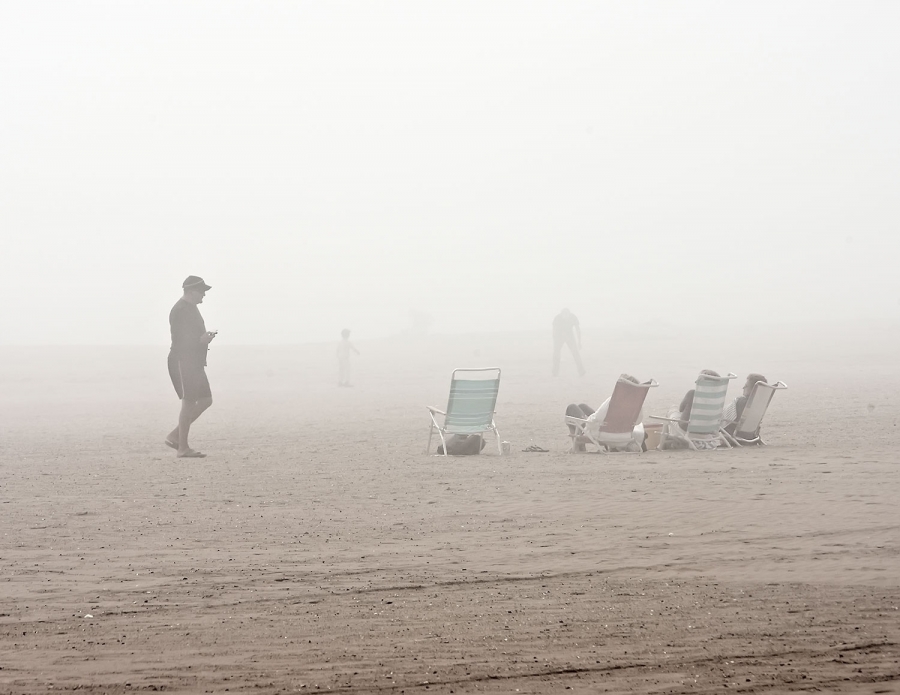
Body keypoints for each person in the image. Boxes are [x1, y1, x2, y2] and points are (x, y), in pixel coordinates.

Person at [165, 276, 216, 458]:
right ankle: (182, 448)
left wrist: (204, 338)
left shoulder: (192, 308)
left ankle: (175, 435)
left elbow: (192, 335)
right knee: (188, 403)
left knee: (206, 400)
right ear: (191, 291)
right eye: (201, 291)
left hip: (194, 362)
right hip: (182, 361)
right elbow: (179, 340)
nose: (203, 295)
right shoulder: (179, 310)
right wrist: (200, 340)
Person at [565, 374, 645, 452]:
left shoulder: (613, 401)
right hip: (625, 435)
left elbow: (597, 418)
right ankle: (578, 445)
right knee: (582, 406)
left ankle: (577, 446)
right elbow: (638, 421)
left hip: (604, 434)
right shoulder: (637, 404)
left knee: (571, 408)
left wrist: (587, 422)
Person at [552, 308, 585, 377]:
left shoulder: (573, 317)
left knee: (575, 353)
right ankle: (555, 372)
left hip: (570, 336)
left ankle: (581, 371)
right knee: (556, 354)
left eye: (567, 315)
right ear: (561, 314)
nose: (566, 317)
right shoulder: (557, 318)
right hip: (559, 336)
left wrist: (579, 342)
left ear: (569, 314)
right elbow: (554, 330)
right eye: (564, 315)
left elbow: (578, 330)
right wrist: (555, 341)